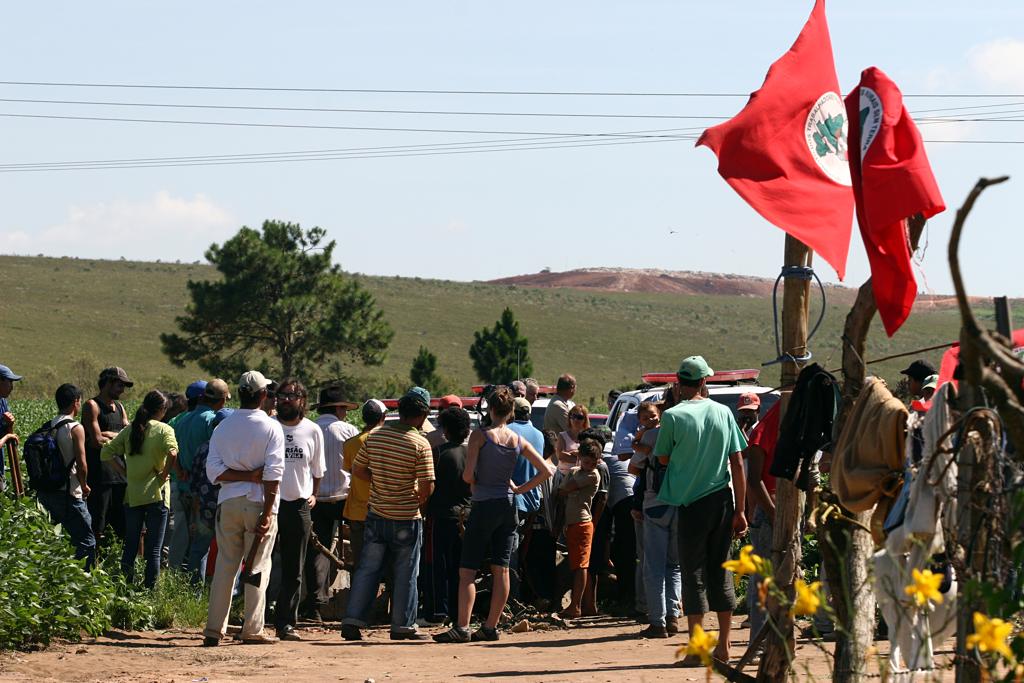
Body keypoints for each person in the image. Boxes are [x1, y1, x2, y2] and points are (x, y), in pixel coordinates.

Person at [434, 386, 552, 643]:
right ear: (510, 412)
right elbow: (546, 471)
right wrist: (519, 489)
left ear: (490, 409)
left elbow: (468, 475)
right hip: (508, 505)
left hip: (484, 504)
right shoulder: (517, 440)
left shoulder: (480, 436)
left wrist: (476, 480)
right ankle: (490, 626)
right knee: (502, 569)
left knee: (468, 570)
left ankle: (462, 627)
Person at [654, 356, 747, 665]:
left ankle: (697, 647)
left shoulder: (672, 417)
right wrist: (741, 510)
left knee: (693, 573)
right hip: (722, 500)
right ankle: (724, 645)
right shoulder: (723, 412)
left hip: (691, 504)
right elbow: (737, 462)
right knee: (721, 570)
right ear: (705, 381)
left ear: (679, 384)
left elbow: (663, 459)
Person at [342, 387, 436, 641]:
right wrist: (417, 496)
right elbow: (427, 485)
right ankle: (402, 625)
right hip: (406, 516)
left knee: (367, 569)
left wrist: (379, 483)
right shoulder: (420, 443)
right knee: (406, 572)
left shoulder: (376, 437)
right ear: (421, 415)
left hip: (376, 513)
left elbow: (358, 469)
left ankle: (352, 620)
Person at [203, 370, 286, 647]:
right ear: (263, 395)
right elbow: (273, 474)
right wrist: (268, 510)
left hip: (228, 502)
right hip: (259, 501)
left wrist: (242, 476)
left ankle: (214, 628)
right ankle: (251, 628)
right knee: (258, 564)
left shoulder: (223, 427)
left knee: (227, 565)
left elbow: (213, 471)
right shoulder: (271, 427)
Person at [101, 390, 178, 588]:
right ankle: (149, 591)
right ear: (161, 410)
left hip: (133, 495)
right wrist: (162, 475)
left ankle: (125, 588)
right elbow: (173, 453)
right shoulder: (164, 430)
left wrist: (124, 472)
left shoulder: (131, 430)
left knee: (130, 546)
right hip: (156, 494)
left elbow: (106, 452)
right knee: (154, 549)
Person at [272, 379, 325, 641]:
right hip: (269, 503)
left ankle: (285, 623)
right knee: (262, 561)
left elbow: (317, 470)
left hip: (298, 505)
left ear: (302, 400)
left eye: (291, 396)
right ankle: (253, 617)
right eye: (281, 395)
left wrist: (313, 494)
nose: (285, 400)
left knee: (295, 567)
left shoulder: (313, 430)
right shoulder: (269, 427)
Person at [304, 386, 359, 622]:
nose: (345, 413)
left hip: (315, 499)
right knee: (359, 547)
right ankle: (358, 605)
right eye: (344, 409)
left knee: (317, 550)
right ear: (338, 408)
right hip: (345, 498)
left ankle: (316, 605)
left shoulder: (308, 429)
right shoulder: (348, 431)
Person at [629, 400, 681, 638]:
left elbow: (633, 469)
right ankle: (673, 616)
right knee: (674, 565)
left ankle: (657, 621)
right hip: (679, 501)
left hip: (655, 503)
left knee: (654, 565)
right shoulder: (682, 434)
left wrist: (641, 445)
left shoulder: (650, 437)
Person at [169, 379, 229, 571]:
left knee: (180, 537)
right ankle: (198, 583)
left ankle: (175, 576)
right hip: (204, 492)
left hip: (181, 485)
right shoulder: (211, 420)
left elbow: (171, 450)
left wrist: (179, 470)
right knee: (201, 543)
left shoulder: (179, 420)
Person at [36, 383, 97, 569]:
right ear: (76, 402)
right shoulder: (75, 428)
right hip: (71, 493)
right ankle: (84, 581)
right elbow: (82, 464)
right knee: (87, 541)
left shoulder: (49, 426)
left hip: (50, 492)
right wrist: (85, 485)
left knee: (59, 540)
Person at [423, 406, 472, 624]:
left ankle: (436, 612)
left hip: (440, 516)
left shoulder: (440, 453)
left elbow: (428, 486)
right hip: (466, 517)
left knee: (436, 566)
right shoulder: (472, 453)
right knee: (460, 569)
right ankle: (457, 613)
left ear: (446, 430)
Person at [743, 400, 779, 642]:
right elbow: (754, 481)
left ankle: (776, 638)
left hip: (778, 510)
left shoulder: (782, 429)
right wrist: (773, 513)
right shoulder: (763, 432)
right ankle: (759, 640)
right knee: (763, 578)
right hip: (769, 513)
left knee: (780, 577)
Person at [83, 367, 132, 544]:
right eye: (120, 385)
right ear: (108, 383)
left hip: (120, 474)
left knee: (125, 525)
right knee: (97, 525)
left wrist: (109, 435)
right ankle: (93, 566)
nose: (122, 390)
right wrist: (118, 436)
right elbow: (96, 441)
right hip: (99, 476)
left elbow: (130, 436)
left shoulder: (120, 407)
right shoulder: (92, 406)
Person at [188, 408, 234, 584]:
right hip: (229, 506)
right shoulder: (235, 450)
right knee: (230, 552)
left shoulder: (203, 448)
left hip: (204, 507)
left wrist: (195, 508)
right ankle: (225, 591)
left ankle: (195, 590)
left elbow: (194, 482)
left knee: (200, 549)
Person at [557, 440, 601, 619]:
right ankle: (587, 605)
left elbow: (566, 488)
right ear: (580, 458)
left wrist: (574, 473)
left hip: (582, 523)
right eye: (586, 462)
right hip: (573, 523)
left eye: (592, 462)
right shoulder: (578, 472)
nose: (589, 466)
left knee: (581, 566)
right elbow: (562, 490)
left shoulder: (593, 475)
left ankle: (575, 606)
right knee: (579, 565)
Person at [507, 397, 544, 601]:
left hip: (512, 498)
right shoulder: (538, 434)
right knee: (519, 551)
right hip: (531, 501)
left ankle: (511, 598)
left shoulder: (507, 431)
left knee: (508, 553)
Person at [342, 399, 387, 570]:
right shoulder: (388, 442)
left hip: (357, 512)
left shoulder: (351, 444)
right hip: (383, 511)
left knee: (361, 562)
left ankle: (359, 595)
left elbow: (349, 470)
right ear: (383, 417)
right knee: (384, 561)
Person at [0, 363, 21, 492]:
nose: (12, 387)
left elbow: (6, 427)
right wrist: (8, 436)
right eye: (10, 382)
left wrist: (10, 425)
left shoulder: (2, 401)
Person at [555, 405, 590, 475]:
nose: (576, 420)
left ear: (585, 420)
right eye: (573, 416)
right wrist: (582, 456)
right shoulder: (562, 435)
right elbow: (561, 456)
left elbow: (592, 458)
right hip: (564, 476)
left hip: (582, 476)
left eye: (579, 417)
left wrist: (573, 453)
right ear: (569, 418)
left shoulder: (588, 437)